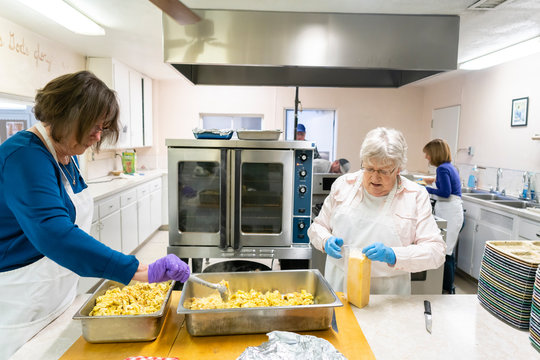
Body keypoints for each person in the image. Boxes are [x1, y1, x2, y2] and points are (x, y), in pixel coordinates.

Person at [0, 71, 190, 358]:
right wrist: (140, 270)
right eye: (93, 126)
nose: (98, 136)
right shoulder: (23, 156)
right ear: (65, 114)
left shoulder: (66, 154)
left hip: (57, 294)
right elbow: (56, 235)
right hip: (21, 306)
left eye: (102, 127)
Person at [308, 127, 446, 295]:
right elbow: (317, 227)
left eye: (383, 171)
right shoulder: (344, 185)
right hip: (340, 285)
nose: (375, 177)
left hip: (389, 293)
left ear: (398, 169)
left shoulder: (414, 195)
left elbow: (436, 251)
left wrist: (394, 255)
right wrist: (324, 240)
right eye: (369, 169)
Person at [423, 139, 463, 294]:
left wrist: (426, 189)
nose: (426, 157)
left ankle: (448, 288)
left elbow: (445, 192)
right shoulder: (447, 167)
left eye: (427, 154)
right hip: (451, 209)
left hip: (450, 211)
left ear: (434, 153)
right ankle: (447, 286)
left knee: (446, 251)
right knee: (447, 250)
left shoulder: (442, 169)